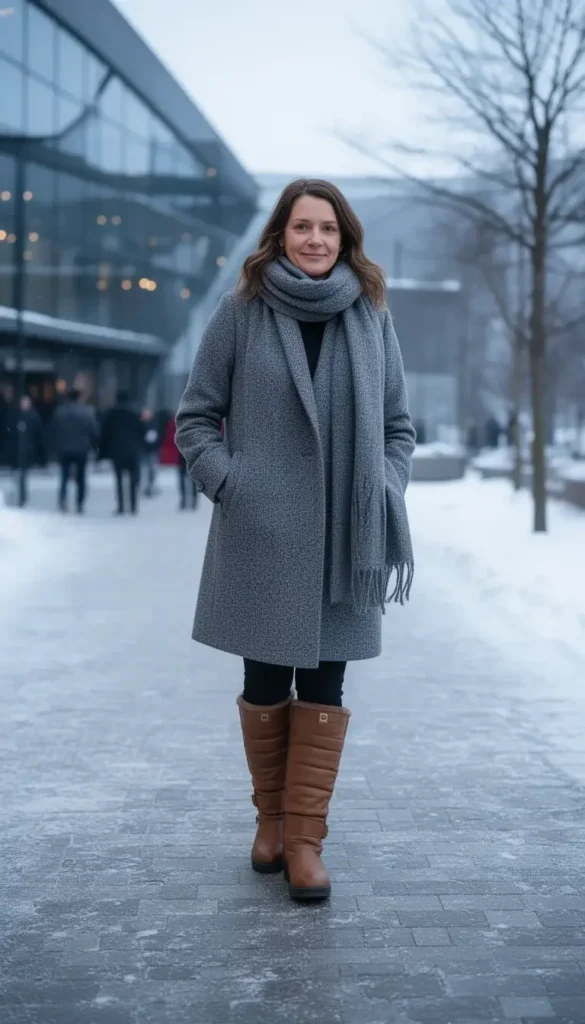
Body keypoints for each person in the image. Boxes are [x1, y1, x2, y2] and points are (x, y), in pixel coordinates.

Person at [176, 179, 416, 903]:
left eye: (329, 230)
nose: (316, 240)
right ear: (279, 233)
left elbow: (398, 427)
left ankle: (306, 838)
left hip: (348, 538)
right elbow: (195, 418)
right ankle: (270, 824)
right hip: (262, 536)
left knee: (324, 685)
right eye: (302, 227)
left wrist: (385, 486)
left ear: (346, 240)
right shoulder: (240, 312)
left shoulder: (371, 316)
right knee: (263, 682)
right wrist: (232, 484)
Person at [51, 388, 99, 513]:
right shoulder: (87, 411)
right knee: (81, 477)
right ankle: (80, 503)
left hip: (65, 448)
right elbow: (94, 430)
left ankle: (63, 499)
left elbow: (54, 429)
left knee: (64, 476)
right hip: (82, 449)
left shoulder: (60, 411)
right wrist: (95, 446)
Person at [98, 391, 143, 515]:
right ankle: (133, 506)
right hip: (133, 451)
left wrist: (102, 453)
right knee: (133, 480)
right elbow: (142, 431)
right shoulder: (135, 414)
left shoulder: (111, 414)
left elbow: (104, 435)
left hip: (117, 451)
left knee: (119, 479)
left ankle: (121, 506)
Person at [8, 395, 46, 507]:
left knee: (22, 474)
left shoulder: (32, 417)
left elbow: (38, 435)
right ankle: (21, 496)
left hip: (27, 449)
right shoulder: (16, 416)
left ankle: (22, 497)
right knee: (20, 474)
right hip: (18, 450)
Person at [140, 408, 161, 497]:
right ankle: (144, 486)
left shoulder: (153, 424)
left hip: (152, 450)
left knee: (152, 469)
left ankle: (151, 486)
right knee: (144, 469)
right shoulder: (140, 424)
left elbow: (157, 436)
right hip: (143, 450)